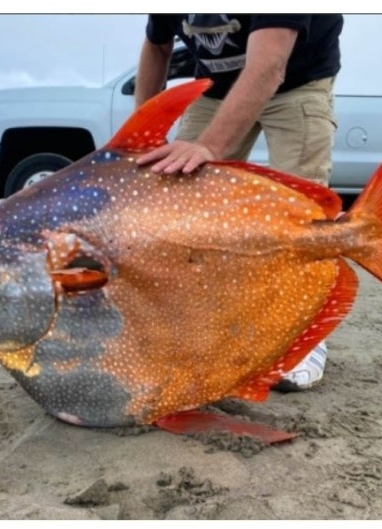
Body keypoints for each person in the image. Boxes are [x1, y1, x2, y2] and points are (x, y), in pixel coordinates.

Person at [134, 14, 343, 391]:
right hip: (217, 90)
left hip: (298, 80)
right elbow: (157, 45)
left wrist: (209, 147)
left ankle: (302, 339)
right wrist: (142, 131)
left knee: (300, 211)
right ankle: (201, 329)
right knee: (177, 202)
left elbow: (269, 66)